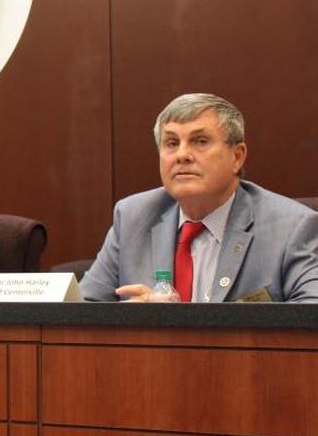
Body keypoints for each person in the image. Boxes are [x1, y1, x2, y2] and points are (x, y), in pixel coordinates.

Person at [81, 93, 318, 303]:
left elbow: (310, 321)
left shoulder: (293, 228)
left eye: (200, 141)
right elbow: (78, 312)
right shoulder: (133, 217)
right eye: (172, 143)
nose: (182, 155)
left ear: (237, 156)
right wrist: (134, 321)